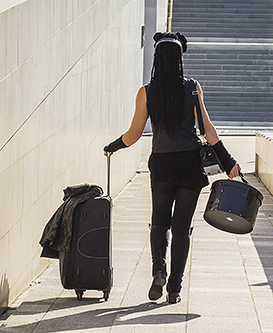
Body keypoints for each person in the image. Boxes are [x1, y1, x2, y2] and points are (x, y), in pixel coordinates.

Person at [103, 32, 241, 304]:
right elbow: (207, 130)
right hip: (190, 164)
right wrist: (228, 162)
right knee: (181, 228)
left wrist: (113, 146)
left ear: (156, 59)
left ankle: (159, 271)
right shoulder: (192, 87)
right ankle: (174, 289)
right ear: (180, 59)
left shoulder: (146, 93)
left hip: (162, 165)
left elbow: (133, 135)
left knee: (159, 222)